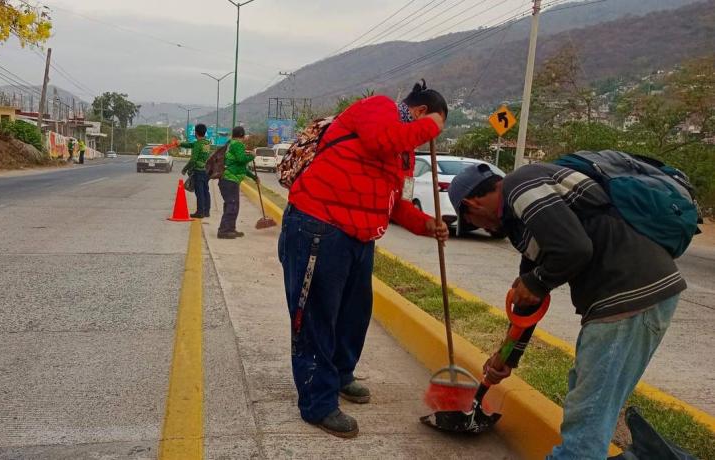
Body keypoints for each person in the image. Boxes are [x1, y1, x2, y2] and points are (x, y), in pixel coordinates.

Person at [448, 162, 686, 459]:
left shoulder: (520, 185)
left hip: (630, 295)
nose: (480, 228)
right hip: (625, 299)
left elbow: (574, 249)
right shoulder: (522, 223)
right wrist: (507, 356)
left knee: (586, 422)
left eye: (472, 222)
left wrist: (536, 281)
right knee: (584, 400)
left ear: (472, 204)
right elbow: (529, 301)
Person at [278, 80, 449, 438]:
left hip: (359, 235)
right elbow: (380, 140)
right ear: (419, 112)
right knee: (317, 316)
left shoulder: (402, 150)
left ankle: (340, 374)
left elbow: (392, 202)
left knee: (354, 314)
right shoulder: (380, 109)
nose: (429, 136)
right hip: (318, 224)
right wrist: (433, 124)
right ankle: (318, 402)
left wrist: (426, 224)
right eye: (430, 126)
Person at [217, 126, 256, 239]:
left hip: (228, 180)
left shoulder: (230, 143)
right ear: (242, 136)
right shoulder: (237, 144)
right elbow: (241, 160)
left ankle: (230, 229)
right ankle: (223, 231)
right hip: (230, 180)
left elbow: (240, 167)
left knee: (233, 205)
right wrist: (252, 156)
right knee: (232, 205)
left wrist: (253, 177)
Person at [180, 123, 212, 218]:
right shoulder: (207, 143)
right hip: (206, 170)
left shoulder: (198, 144)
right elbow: (191, 144)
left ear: (196, 133)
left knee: (199, 192)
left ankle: (200, 212)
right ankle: (206, 211)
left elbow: (193, 160)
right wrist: (180, 144)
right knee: (206, 191)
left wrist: (185, 169)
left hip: (198, 171)